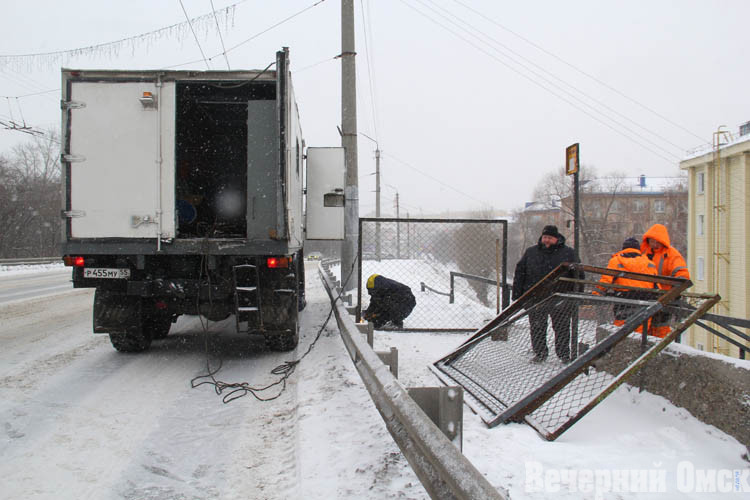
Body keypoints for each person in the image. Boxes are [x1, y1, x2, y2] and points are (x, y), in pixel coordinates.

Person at [512, 225, 579, 362]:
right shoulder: (531, 252)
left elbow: (578, 275)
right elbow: (520, 272)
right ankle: (540, 353)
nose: (546, 240)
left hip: (560, 297)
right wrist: (518, 295)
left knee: (561, 328)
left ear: (556, 238)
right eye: (545, 237)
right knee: (537, 327)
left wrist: (576, 295)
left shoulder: (568, 253)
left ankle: (563, 354)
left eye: (550, 238)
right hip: (536, 297)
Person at [595, 237, 658, 332]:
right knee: (640, 333)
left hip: (624, 299)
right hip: (646, 300)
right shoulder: (649, 263)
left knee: (620, 332)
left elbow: (606, 279)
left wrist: (597, 293)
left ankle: (622, 345)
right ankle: (637, 346)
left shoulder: (617, 260)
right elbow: (656, 284)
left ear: (623, 248)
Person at [640, 224, 690, 337]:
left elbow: (682, 273)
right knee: (643, 328)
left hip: (664, 298)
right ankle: (647, 349)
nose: (654, 244)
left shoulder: (672, 255)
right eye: (652, 241)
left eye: (657, 241)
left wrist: (675, 290)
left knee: (660, 328)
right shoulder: (643, 253)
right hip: (645, 296)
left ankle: (658, 349)